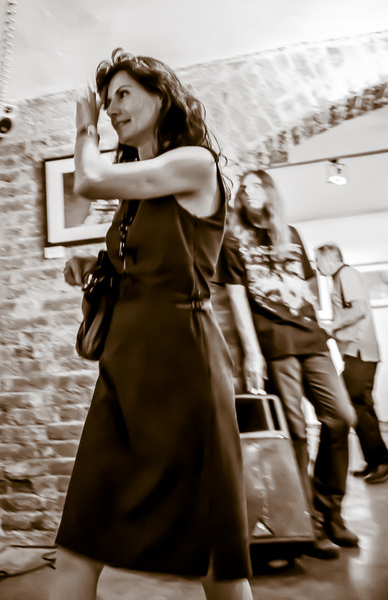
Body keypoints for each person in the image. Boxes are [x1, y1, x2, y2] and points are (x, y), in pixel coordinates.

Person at [51, 49, 253, 600]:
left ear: (161, 97)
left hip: (182, 371)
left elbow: (89, 179)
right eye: (106, 100)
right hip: (123, 372)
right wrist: (94, 264)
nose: (111, 108)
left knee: (215, 559)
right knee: (79, 539)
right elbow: (151, 262)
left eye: (123, 94)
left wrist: (84, 128)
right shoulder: (135, 197)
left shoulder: (195, 163)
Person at [216, 170, 359, 560]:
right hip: (274, 343)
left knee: (341, 417)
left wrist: (320, 325)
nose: (249, 191)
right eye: (244, 188)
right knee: (295, 431)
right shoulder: (233, 240)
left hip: (311, 339)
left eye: (257, 185)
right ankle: (307, 522)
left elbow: (310, 288)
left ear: (270, 192)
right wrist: (251, 351)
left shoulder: (291, 234)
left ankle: (330, 510)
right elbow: (237, 298)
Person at [314, 243, 388, 484]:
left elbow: (359, 310)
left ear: (330, 259)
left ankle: (381, 462)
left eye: (317, 260)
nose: (316, 265)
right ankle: (376, 461)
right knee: (360, 406)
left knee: (354, 405)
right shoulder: (339, 278)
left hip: (360, 352)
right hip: (356, 352)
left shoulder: (345, 274)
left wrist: (330, 327)